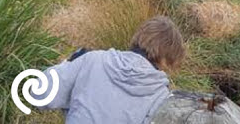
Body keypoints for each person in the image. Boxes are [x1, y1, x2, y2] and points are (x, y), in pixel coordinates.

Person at [32, 16, 186, 124]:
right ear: (167, 60)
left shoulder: (92, 60)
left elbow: (39, 94)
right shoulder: (161, 96)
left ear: (138, 37)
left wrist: (70, 63)